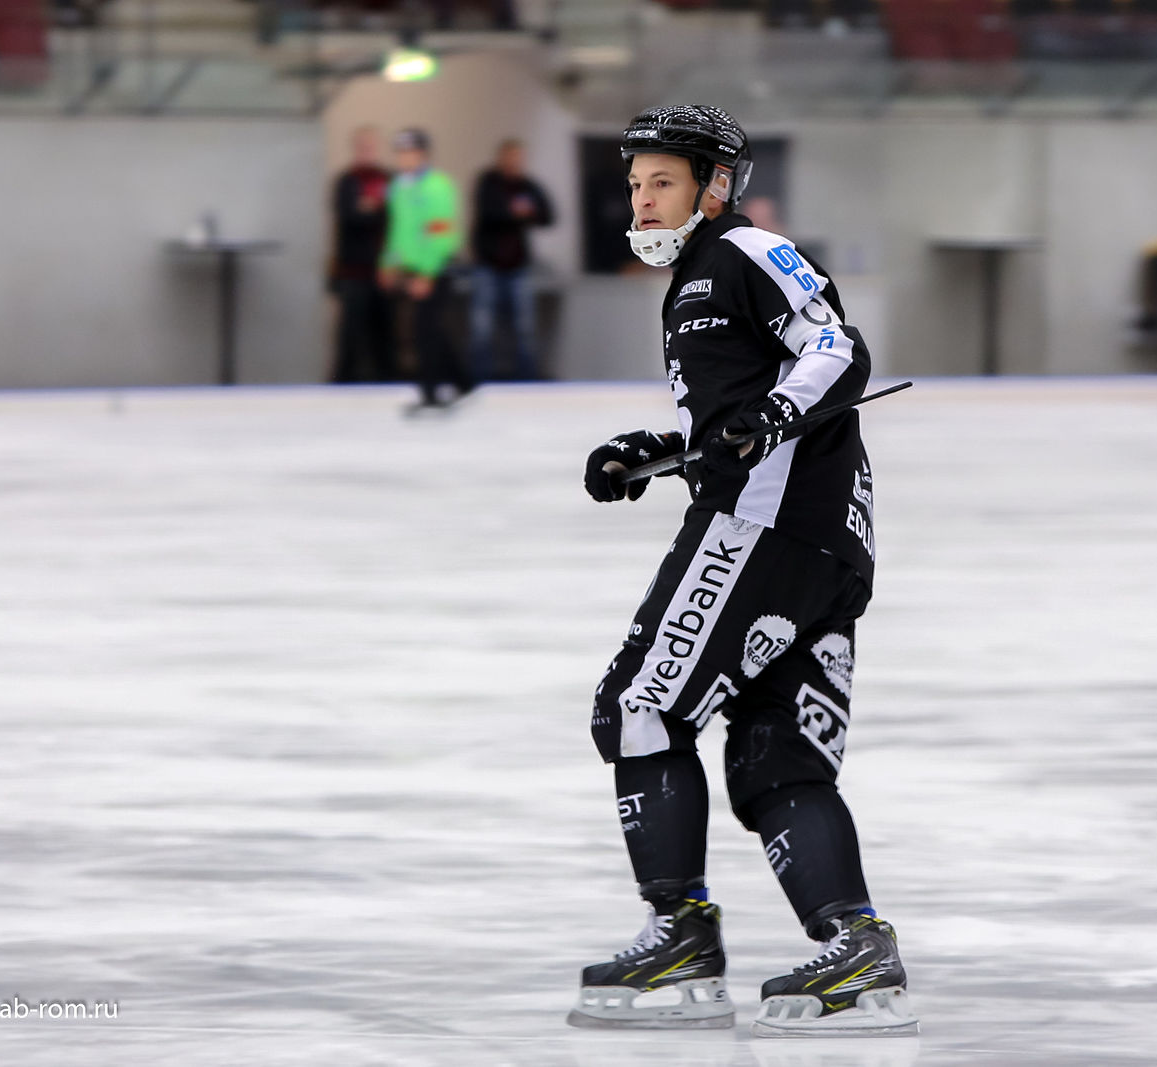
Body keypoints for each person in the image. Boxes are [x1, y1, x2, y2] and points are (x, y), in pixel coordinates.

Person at [567, 105, 919, 1038]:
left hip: (764, 528)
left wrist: (766, 420)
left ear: (715, 184)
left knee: (641, 706)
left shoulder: (745, 250)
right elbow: (736, 413)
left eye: (663, 182)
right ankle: (855, 943)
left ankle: (680, 931)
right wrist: (656, 452)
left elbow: (836, 350)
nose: (643, 200)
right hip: (822, 543)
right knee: (779, 759)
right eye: (635, 184)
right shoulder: (697, 275)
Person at [380, 127, 473, 412]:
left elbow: (441, 232)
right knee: (430, 329)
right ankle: (463, 382)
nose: (403, 158)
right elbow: (397, 231)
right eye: (400, 152)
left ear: (422, 154)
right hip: (413, 269)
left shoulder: (437, 186)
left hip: (436, 268)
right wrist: (388, 263)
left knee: (425, 330)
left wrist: (427, 273)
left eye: (409, 152)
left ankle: (431, 393)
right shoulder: (399, 187)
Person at [468, 139, 554, 381]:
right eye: (511, 157)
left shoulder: (528, 185)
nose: (515, 163)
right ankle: (479, 379)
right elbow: (489, 212)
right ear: (501, 158)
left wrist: (524, 213)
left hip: (518, 266)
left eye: (519, 158)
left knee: (524, 327)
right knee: (482, 327)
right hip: (488, 266)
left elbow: (548, 216)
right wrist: (516, 212)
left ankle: (526, 380)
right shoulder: (488, 182)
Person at [328, 125, 395, 383]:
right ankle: (342, 387)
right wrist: (375, 209)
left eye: (371, 146)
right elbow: (349, 217)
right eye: (362, 146)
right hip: (353, 272)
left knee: (384, 337)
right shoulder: (346, 181)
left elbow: (395, 219)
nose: (367, 151)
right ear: (355, 149)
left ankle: (387, 387)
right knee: (350, 338)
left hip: (383, 271)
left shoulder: (388, 180)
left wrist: (370, 207)